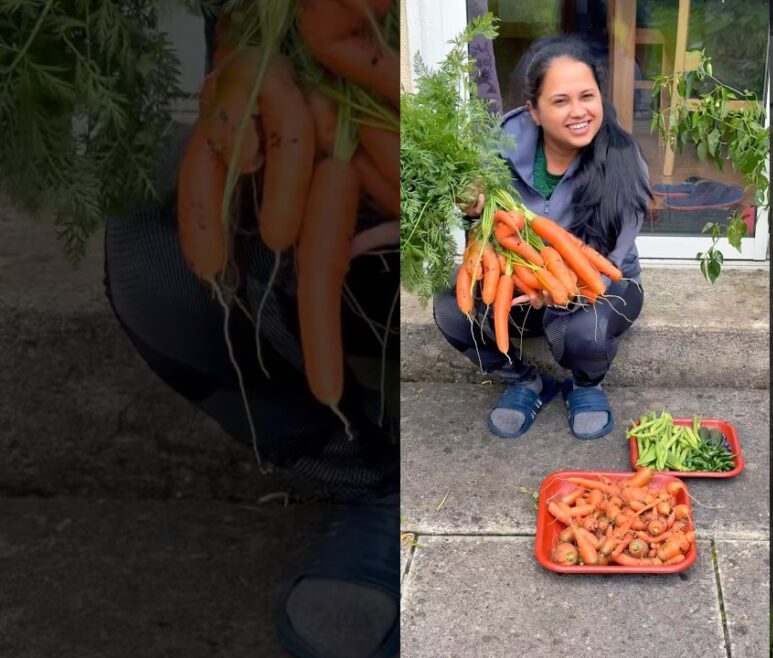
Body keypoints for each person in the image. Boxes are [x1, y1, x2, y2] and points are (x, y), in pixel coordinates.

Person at [103, 10, 399, 658]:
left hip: (474, 141)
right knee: (157, 254)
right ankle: (375, 480)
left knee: (522, 241)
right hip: (299, 132)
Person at [432, 34, 651, 441]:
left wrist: (563, 288)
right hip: (520, 282)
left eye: (587, 96)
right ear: (533, 110)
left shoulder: (623, 158)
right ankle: (525, 381)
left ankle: (586, 384)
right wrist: (472, 210)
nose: (579, 112)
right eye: (560, 101)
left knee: (585, 331)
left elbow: (611, 261)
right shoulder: (499, 148)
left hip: (603, 286)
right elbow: (484, 232)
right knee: (450, 304)